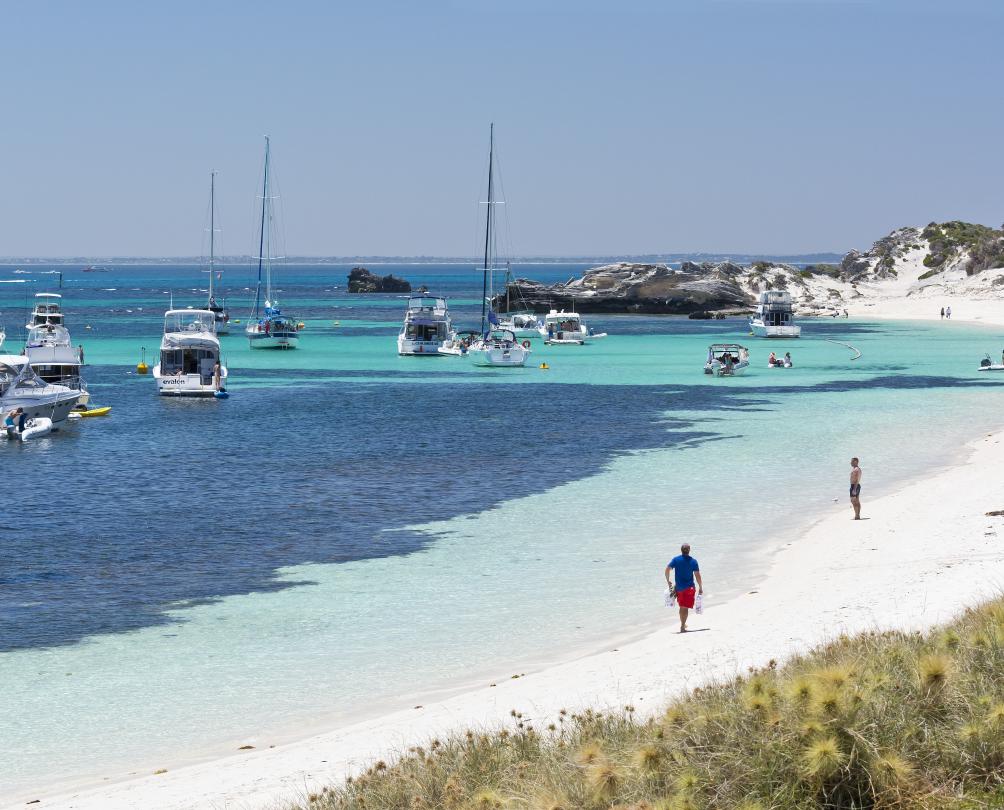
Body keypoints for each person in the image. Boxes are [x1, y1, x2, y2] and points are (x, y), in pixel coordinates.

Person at [666, 544, 703, 633]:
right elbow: (697, 575)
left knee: (682, 607)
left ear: (681, 550)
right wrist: (700, 587)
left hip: (679, 588)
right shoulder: (693, 561)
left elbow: (667, 569)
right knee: (684, 607)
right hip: (689, 588)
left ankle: (683, 623)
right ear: (689, 550)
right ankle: (682, 626)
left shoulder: (676, 560)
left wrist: (668, 580)